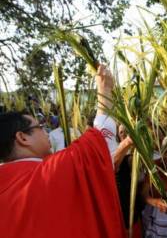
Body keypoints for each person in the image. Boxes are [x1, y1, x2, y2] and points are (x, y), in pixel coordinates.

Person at [0, 65, 126, 238]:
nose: (45, 132)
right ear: (23, 138)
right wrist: (105, 89)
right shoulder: (45, 174)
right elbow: (98, 146)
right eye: (40, 127)